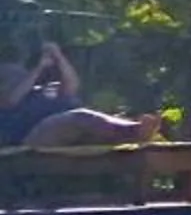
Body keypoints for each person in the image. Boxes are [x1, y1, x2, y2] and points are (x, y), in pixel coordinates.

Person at [0, 40, 157, 149]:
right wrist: (38, 69)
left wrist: (58, 56)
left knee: (90, 126)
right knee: (80, 117)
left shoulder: (41, 92)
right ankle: (134, 131)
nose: (19, 77)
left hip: (66, 132)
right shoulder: (9, 101)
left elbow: (72, 86)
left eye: (21, 74)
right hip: (29, 137)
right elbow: (10, 101)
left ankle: (132, 131)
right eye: (12, 76)